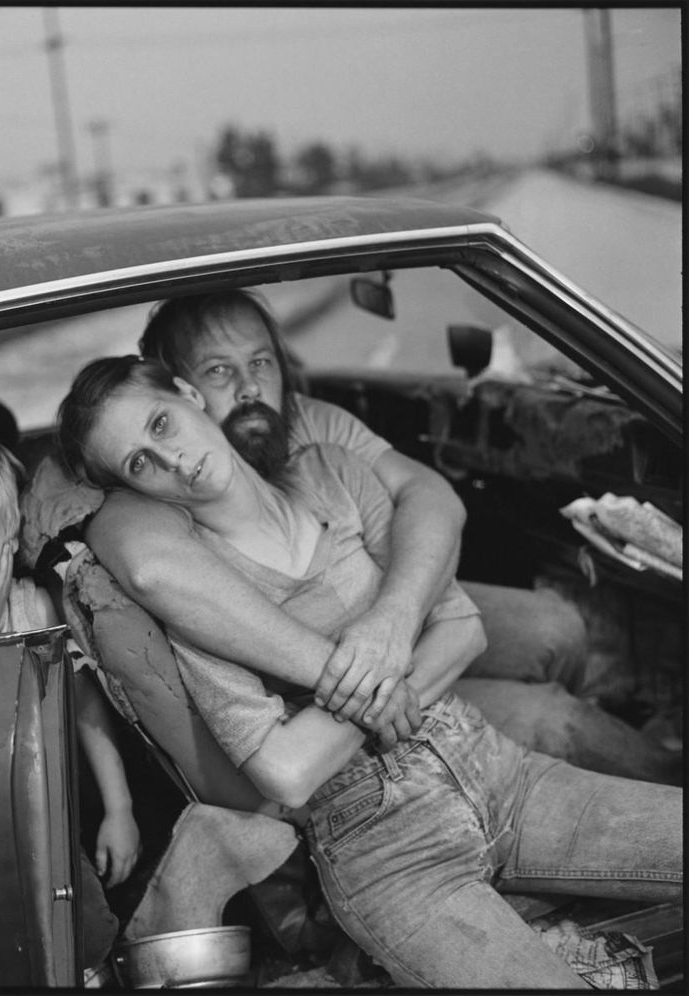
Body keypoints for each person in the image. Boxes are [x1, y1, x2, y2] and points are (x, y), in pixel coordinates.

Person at [55, 356, 682, 989]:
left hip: (495, 764)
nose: (169, 459)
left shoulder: (333, 472)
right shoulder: (197, 595)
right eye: (139, 463)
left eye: (162, 424)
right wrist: (384, 688)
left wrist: (384, 637)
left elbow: (465, 629)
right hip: (380, 840)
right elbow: (285, 772)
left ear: (190, 394)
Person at [74, 290, 677, 782]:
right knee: (553, 721)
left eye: (261, 362)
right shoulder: (158, 476)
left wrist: (395, 618)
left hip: (396, 614)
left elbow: (432, 496)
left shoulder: (310, 422)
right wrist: (368, 680)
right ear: (183, 389)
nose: (251, 388)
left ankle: (564, 760)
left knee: (558, 628)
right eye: (219, 372)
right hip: (330, 696)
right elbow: (147, 563)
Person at [0, 432, 142, 897]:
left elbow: (84, 709)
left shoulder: (35, 610)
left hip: (52, 813)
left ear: (10, 542)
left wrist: (120, 809)